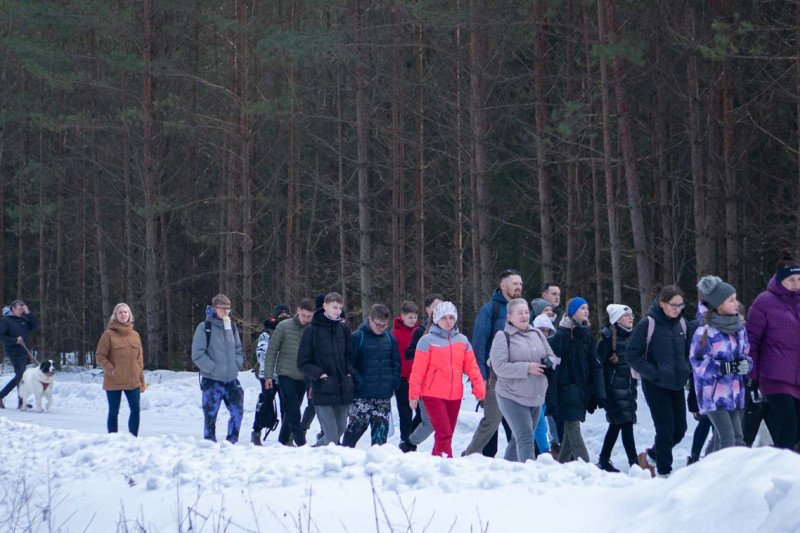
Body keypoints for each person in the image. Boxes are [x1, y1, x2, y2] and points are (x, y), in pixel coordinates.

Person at [625, 286, 691, 477]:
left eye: (681, 305)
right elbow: (631, 354)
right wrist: (653, 373)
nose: (678, 309)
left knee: (680, 429)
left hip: (677, 384)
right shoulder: (648, 323)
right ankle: (664, 473)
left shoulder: (683, 325)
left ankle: (653, 454)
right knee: (665, 429)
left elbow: (687, 352)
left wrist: (685, 369)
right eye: (673, 305)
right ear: (662, 304)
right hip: (655, 385)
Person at [408, 302, 485, 457]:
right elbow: (417, 371)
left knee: (446, 434)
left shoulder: (462, 341)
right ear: (436, 319)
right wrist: (414, 395)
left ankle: (437, 463)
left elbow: (472, 367)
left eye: (451, 317)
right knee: (444, 433)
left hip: (455, 395)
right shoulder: (426, 340)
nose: (448, 321)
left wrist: (478, 386)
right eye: (444, 317)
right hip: (432, 395)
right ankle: (447, 463)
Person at [463, 269, 522, 457]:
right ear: (503, 286)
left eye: (520, 284)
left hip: (517, 376)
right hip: (494, 376)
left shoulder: (521, 310)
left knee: (519, 422)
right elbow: (478, 346)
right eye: (515, 284)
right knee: (493, 419)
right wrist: (480, 378)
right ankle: (470, 456)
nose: (519, 287)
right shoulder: (490, 310)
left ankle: (518, 461)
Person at [746, 249, 800, 450]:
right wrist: (752, 375)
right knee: (788, 423)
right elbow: (751, 340)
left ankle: (786, 468)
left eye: (799, 279)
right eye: (791, 280)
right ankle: (780, 471)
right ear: (780, 280)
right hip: (774, 376)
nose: (796, 284)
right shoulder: (764, 301)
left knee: (797, 429)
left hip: (798, 377)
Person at [491, 298, 557, 462]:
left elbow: (551, 356)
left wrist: (549, 362)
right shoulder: (502, 336)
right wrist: (526, 367)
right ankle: (529, 477)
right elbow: (499, 367)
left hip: (535, 396)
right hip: (511, 395)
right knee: (526, 437)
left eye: (526, 312)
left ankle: (507, 470)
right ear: (510, 316)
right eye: (519, 313)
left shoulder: (537, 333)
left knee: (520, 437)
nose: (524, 316)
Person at [690, 276, 752, 450]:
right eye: (731, 300)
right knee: (728, 439)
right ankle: (725, 476)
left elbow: (746, 353)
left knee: (737, 438)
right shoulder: (705, 330)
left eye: (736, 299)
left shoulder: (739, 329)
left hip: (735, 391)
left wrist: (746, 364)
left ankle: (706, 472)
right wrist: (722, 367)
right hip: (713, 394)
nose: (736, 303)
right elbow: (698, 363)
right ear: (718, 305)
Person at [549, 297, 605, 463]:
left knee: (569, 429)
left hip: (581, 390)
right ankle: (586, 464)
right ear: (572, 313)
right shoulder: (561, 336)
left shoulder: (586, 336)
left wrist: (598, 392)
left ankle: (562, 463)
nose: (586, 311)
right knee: (573, 426)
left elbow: (595, 365)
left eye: (587, 307)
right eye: (582, 308)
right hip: (565, 390)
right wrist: (552, 395)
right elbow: (554, 367)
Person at [297, 292, 353, 446]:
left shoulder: (344, 328)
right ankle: (326, 464)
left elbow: (350, 355)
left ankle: (317, 448)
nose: (337, 311)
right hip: (323, 388)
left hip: (343, 387)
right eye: (334, 307)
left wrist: (348, 373)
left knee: (341, 428)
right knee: (332, 435)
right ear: (325, 306)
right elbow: (302, 362)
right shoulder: (311, 331)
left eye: (340, 308)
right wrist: (319, 374)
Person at [342, 304, 401, 446]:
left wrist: (393, 383)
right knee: (354, 431)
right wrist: (358, 381)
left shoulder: (389, 338)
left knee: (380, 438)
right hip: (362, 396)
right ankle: (343, 457)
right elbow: (348, 363)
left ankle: (378, 465)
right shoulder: (358, 337)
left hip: (383, 396)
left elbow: (396, 363)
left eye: (385, 325)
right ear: (370, 320)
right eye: (378, 324)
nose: (381, 328)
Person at [191, 294, 245, 443]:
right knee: (210, 417)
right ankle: (209, 445)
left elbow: (238, 349)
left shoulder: (231, 326)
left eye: (228, 308)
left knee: (238, 412)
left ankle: (231, 443)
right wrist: (212, 368)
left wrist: (237, 364)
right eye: (223, 308)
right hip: (212, 380)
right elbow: (197, 354)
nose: (226, 311)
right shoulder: (204, 327)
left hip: (231, 380)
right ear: (214, 309)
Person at [261, 299, 314, 446]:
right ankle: (301, 443)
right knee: (294, 410)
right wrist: (268, 375)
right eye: (303, 315)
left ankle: (282, 441)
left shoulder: (312, 329)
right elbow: (271, 352)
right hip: (285, 375)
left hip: (303, 377)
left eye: (309, 316)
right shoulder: (284, 326)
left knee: (292, 411)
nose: (306, 319)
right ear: (297, 311)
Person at [596, 304, 638, 472]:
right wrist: (601, 392)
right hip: (613, 390)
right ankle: (634, 463)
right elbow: (598, 367)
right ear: (616, 319)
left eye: (631, 315)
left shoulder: (633, 337)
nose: (631, 318)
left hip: (628, 389)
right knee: (626, 424)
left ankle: (604, 459)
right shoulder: (607, 339)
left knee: (616, 425)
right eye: (626, 315)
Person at [399, 294, 443, 453]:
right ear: (428, 310)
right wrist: (425, 349)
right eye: (435, 307)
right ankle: (408, 442)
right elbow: (409, 353)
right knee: (424, 418)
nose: (439, 310)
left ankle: (411, 443)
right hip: (421, 381)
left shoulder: (450, 329)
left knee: (435, 419)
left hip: (443, 383)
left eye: (441, 306)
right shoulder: (420, 331)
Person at [95, 303, 145, 436]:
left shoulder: (135, 335)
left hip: (133, 380)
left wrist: (141, 381)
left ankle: (133, 437)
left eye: (126, 312)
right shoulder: (108, 335)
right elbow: (100, 356)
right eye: (120, 312)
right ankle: (112, 439)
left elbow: (139, 360)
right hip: (114, 380)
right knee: (113, 411)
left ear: (130, 315)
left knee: (135, 409)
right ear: (115, 316)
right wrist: (111, 369)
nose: (123, 314)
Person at [251, 304, 291, 446]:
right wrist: (273, 369)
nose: (284, 317)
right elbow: (262, 355)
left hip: (285, 375)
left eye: (286, 314)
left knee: (287, 407)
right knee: (266, 404)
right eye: (281, 314)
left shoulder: (289, 331)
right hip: (267, 375)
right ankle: (256, 431)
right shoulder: (266, 334)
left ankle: (287, 436)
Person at [391, 300, 421, 444]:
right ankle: (405, 440)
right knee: (405, 412)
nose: (413, 320)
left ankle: (410, 436)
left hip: (418, 378)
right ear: (402, 316)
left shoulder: (420, 332)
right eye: (410, 317)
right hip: (402, 379)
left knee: (422, 413)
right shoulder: (394, 334)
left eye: (415, 317)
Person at [0, 300, 38, 409]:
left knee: (21, 376)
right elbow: (1, 336)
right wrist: (15, 340)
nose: (21, 311)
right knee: (21, 374)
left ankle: (20, 401)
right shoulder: (6, 320)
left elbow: (34, 325)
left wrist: (28, 313)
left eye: (22, 309)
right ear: (13, 308)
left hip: (23, 351)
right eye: (19, 309)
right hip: (13, 351)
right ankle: (18, 400)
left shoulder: (23, 319)